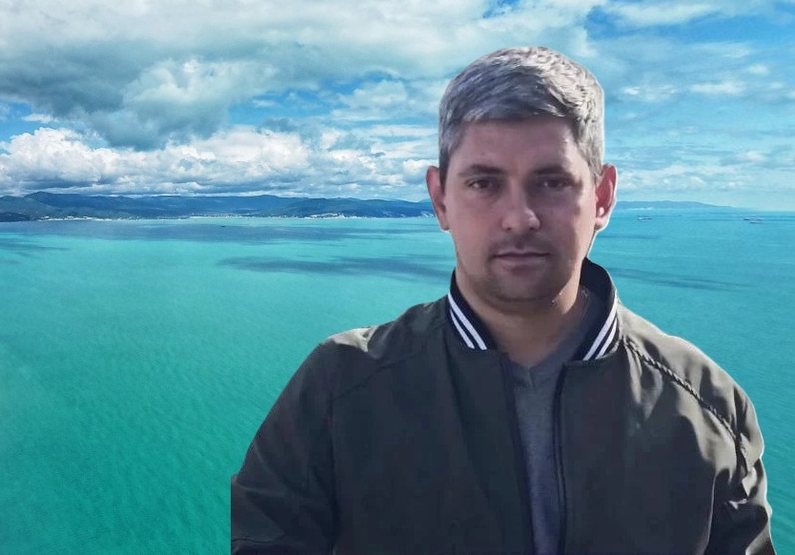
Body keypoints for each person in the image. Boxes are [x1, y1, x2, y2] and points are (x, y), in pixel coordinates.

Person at [230, 47, 773, 554]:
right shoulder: (337, 390)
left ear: (602, 198)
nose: (519, 218)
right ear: (440, 199)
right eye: (485, 184)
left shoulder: (708, 408)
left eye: (551, 182)